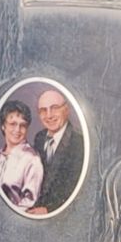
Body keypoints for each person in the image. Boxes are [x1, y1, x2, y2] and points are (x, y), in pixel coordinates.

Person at [29, 87, 85, 216]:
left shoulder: (79, 143)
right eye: (43, 110)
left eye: (54, 108)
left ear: (66, 110)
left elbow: (81, 190)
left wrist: (49, 210)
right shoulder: (39, 138)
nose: (49, 115)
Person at [0, 99, 43, 212]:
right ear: (3, 126)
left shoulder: (32, 159)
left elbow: (29, 203)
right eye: (13, 124)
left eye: (22, 125)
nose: (17, 130)